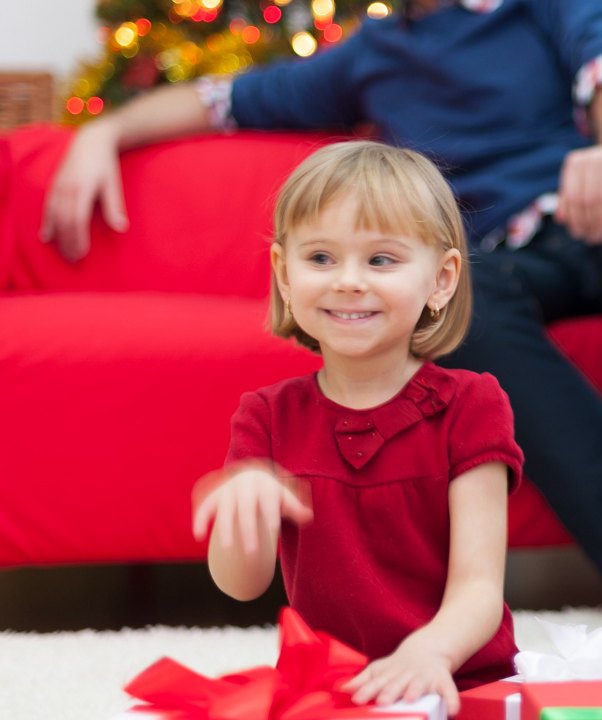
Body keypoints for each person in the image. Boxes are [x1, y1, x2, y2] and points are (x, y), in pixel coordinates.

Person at [42, 0, 602, 578]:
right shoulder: (372, 52)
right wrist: (102, 134)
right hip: (515, 259)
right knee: (451, 302)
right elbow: (221, 101)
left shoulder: (547, 6)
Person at [191, 141, 522, 713]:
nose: (348, 281)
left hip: (456, 682)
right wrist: (240, 512)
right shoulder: (266, 415)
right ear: (284, 274)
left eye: (381, 260)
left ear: (441, 280)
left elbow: (479, 589)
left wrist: (430, 654)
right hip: (329, 691)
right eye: (320, 258)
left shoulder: (473, 404)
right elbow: (240, 585)